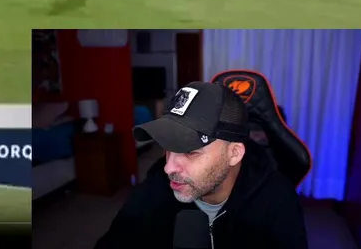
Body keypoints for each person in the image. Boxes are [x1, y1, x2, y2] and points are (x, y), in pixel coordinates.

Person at [95, 82, 308, 249]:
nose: (169, 168)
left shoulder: (277, 200)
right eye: (168, 147)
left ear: (234, 153)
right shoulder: (156, 186)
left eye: (190, 152)